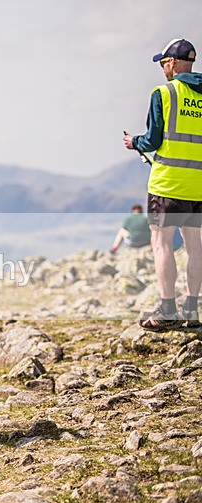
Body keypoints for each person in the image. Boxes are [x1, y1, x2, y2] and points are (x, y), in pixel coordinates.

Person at [124, 38, 202, 330]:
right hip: (199, 184)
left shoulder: (165, 93)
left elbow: (153, 139)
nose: (162, 68)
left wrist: (135, 143)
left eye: (163, 63)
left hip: (168, 184)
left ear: (171, 63)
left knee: (162, 243)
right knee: (195, 246)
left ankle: (167, 308)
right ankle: (192, 311)